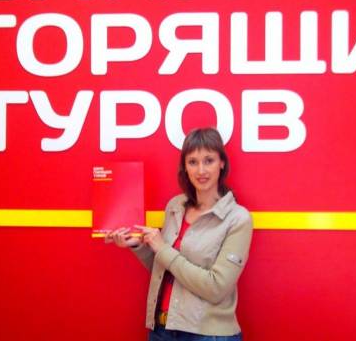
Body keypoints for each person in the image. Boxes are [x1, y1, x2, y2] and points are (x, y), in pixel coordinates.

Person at [107, 127, 253, 340]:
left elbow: (216, 288)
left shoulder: (238, 218)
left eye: (209, 160)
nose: (201, 170)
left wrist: (162, 248)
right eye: (192, 162)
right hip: (161, 330)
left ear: (222, 163)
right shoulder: (175, 206)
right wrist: (137, 245)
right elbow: (165, 267)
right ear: (185, 167)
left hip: (208, 336)